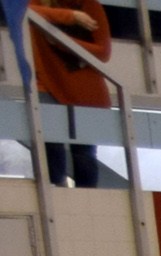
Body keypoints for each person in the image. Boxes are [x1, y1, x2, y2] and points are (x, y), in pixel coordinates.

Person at [28, 0, 111, 190]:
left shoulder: (89, 4)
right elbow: (25, 10)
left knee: (84, 155)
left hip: (85, 89)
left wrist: (61, 41)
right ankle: (58, 190)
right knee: (50, 144)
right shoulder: (34, 3)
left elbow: (103, 52)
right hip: (46, 83)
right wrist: (71, 17)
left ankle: (87, 201)